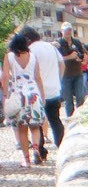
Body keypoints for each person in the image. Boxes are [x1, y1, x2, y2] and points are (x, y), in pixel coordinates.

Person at [1, 32, 46, 167]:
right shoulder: (33, 57)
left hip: (18, 94)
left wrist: (5, 95)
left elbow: (5, 78)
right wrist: (42, 95)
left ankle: (26, 159)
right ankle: (36, 148)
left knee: (22, 129)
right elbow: (37, 77)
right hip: (33, 93)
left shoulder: (9, 57)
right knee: (35, 126)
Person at [21, 26, 65, 154]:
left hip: (38, 91)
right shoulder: (51, 47)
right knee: (55, 120)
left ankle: (40, 150)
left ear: (27, 39)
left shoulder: (30, 51)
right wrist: (58, 80)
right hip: (54, 89)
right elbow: (62, 64)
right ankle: (62, 145)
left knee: (37, 122)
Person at [58, 21, 86, 117]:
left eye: (69, 30)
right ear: (62, 31)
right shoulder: (59, 44)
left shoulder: (77, 42)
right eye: (66, 30)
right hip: (65, 75)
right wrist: (69, 57)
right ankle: (70, 118)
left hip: (78, 73)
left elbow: (83, 54)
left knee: (80, 97)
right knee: (68, 100)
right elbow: (58, 59)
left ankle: (81, 116)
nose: (68, 32)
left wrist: (81, 59)